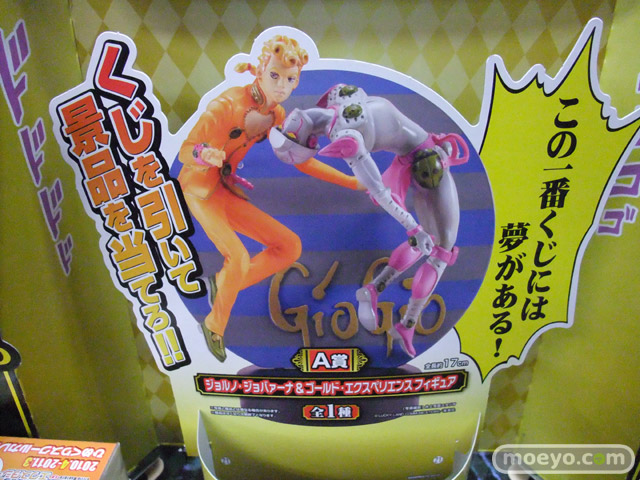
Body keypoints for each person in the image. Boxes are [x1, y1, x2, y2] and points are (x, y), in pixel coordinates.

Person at [178, 38, 360, 362]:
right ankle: (214, 325)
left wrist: (351, 181)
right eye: (275, 76)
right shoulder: (226, 105)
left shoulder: (276, 114)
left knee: (289, 246)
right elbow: (185, 150)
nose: (281, 86)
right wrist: (204, 154)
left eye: (290, 79)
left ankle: (222, 283)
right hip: (199, 189)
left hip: (224, 190)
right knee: (238, 257)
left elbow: (300, 161)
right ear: (260, 71)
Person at [270, 83, 468, 357]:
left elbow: (380, 190)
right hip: (427, 160)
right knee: (442, 251)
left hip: (419, 157)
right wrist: (413, 227)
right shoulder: (344, 105)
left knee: (427, 242)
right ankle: (407, 323)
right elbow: (380, 192)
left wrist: (415, 230)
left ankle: (374, 289)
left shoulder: (340, 105)